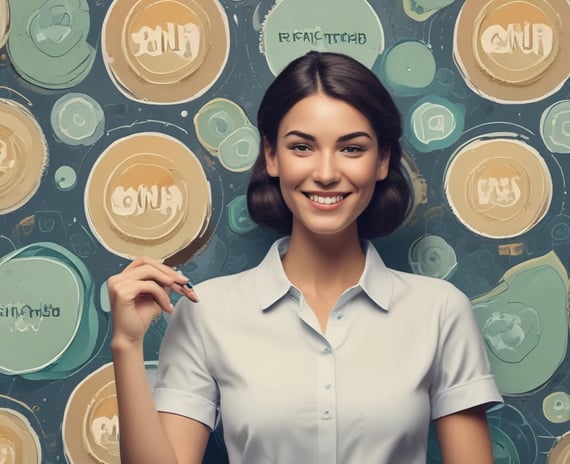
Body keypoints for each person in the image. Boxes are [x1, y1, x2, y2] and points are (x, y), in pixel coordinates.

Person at [108, 51, 503, 464]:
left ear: (382, 160)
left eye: (352, 148)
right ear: (272, 156)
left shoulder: (439, 311)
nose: (327, 172)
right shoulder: (205, 312)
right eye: (302, 147)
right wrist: (126, 345)